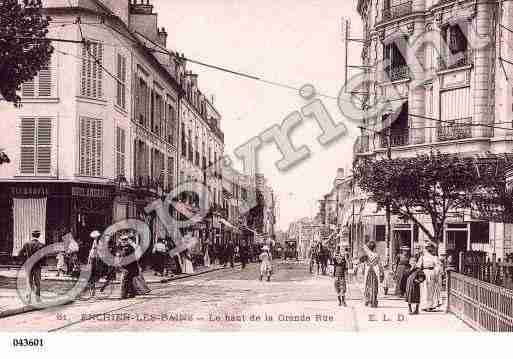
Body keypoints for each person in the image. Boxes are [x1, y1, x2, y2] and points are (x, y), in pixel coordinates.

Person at [18, 230, 45, 303]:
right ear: (39, 236)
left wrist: (25, 261)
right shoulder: (41, 245)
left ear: (32, 235)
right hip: (37, 266)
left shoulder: (27, 244)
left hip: (29, 266)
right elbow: (43, 257)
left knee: (29, 282)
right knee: (37, 283)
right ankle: (38, 299)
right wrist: (41, 263)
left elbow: (20, 254)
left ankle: (28, 299)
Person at [418, 243, 442, 311]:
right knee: (424, 290)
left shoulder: (434, 257)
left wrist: (435, 272)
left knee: (431, 290)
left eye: (430, 247)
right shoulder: (422, 257)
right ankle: (424, 305)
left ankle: (430, 305)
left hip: (432, 273)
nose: (428, 249)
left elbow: (438, 266)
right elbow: (419, 265)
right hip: (424, 273)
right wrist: (420, 272)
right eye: (427, 247)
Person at [360, 241, 384, 308]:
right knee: (375, 286)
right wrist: (381, 273)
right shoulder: (377, 255)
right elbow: (380, 265)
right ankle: (374, 300)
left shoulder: (366, 255)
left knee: (367, 285)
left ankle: (367, 300)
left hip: (368, 271)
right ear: (374, 248)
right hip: (375, 271)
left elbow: (361, 261)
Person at [119, 234, 141, 299]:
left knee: (125, 280)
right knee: (129, 280)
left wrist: (121, 264)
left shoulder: (127, 249)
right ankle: (131, 293)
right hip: (131, 267)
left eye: (123, 241)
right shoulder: (130, 248)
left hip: (128, 268)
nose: (121, 242)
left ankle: (124, 294)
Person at [87, 230, 103, 297]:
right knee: (91, 276)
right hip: (92, 260)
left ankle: (92, 291)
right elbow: (91, 253)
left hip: (94, 260)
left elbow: (97, 251)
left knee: (92, 276)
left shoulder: (97, 243)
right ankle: (92, 291)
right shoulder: (95, 243)